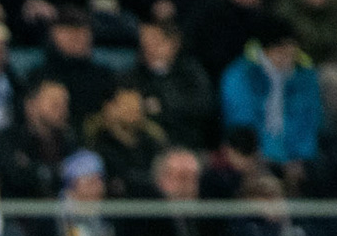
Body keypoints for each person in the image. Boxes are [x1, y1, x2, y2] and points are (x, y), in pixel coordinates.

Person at [220, 22, 323, 177]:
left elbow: (309, 121)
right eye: (281, 50)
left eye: (291, 50)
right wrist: (263, 154)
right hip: (254, 154)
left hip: (296, 158)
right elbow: (242, 119)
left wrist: (299, 157)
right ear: (267, 50)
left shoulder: (305, 78)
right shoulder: (241, 75)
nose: (287, 57)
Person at [128, 18, 216, 150]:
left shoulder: (191, 72)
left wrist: (162, 105)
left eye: (154, 41)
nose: (148, 47)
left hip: (189, 145)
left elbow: (203, 105)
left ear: (173, 43)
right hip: (147, 149)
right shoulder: (133, 76)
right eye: (144, 42)